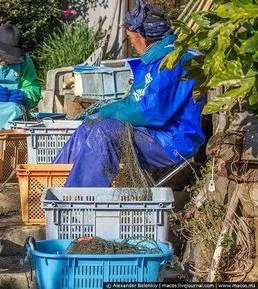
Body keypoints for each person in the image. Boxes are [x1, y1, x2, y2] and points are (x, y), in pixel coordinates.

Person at [54, 0, 205, 187]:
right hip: (150, 133)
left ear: (143, 38)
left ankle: (73, 203)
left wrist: (107, 113)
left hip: (171, 140)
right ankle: (53, 187)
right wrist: (102, 112)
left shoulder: (173, 61)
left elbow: (152, 113)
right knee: (88, 126)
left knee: (105, 132)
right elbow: (133, 102)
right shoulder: (154, 60)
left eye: (130, 37)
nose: (131, 43)